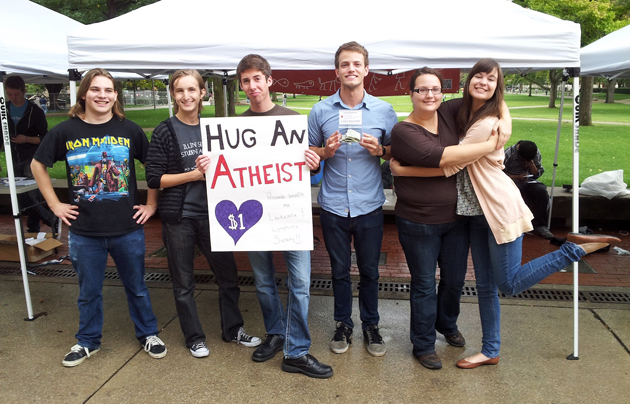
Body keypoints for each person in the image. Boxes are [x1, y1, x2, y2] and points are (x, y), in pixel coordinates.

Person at [391, 59, 620, 370]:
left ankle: (574, 249)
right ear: (467, 81)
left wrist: (402, 170)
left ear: (498, 86)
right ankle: (490, 350)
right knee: (484, 286)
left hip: (496, 207)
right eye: (479, 76)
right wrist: (389, 153)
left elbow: (450, 163)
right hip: (472, 212)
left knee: (508, 284)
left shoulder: (486, 124)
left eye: (492, 79)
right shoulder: (464, 113)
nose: (484, 82)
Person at [31, 68, 167, 367]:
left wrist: (151, 205)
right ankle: (87, 340)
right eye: (96, 89)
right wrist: (54, 205)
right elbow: (38, 164)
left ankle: (148, 333)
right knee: (88, 292)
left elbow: (154, 170)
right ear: (84, 94)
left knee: (137, 287)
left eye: (108, 90)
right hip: (84, 231)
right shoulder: (65, 131)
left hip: (127, 228)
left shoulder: (129, 129)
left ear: (115, 95)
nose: (102, 95)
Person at [389, 67, 511, 370]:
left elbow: (488, 97)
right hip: (418, 222)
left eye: (435, 89)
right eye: (422, 90)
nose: (429, 95)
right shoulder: (404, 131)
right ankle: (423, 343)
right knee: (424, 285)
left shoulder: (447, 111)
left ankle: (447, 323)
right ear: (411, 93)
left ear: (443, 93)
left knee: (455, 280)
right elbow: (444, 159)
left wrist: (505, 121)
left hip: (456, 218)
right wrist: (490, 146)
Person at [145, 69, 260, 359]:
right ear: (173, 94)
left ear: (202, 93)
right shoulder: (164, 131)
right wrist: (192, 175)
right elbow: (154, 179)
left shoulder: (215, 130)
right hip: (179, 217)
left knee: (228, 276)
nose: (186, 96)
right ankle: (194, 337)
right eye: (180, 90)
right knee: (184, 282)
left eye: (192, 90)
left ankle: (233, 329)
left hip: (215, 216)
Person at [236, 54, 333, 379]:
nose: (252, 86)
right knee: (263, 282)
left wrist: (313, 164)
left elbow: (311, 177)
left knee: (301, 283)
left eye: (257, 79)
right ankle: (276, 334)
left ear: (269, 80)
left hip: (290, 214)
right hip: (252, 217)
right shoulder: (234, 129)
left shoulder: (292, 120)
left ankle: (296, 350)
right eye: (246, 81)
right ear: (241, 85)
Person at [308, 41, 398, 357]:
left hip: (369, 205)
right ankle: (343, 323)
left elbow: (397, 153)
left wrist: (382, 151)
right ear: (337, 71)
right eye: (345, 64)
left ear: (366, 70)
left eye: (356, 64)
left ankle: (371, 325)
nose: (351, 69)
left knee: (371, 271)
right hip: (332, 205)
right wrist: (324, 152)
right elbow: (308, 155)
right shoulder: (319, 111)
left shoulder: (384, 111)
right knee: (339, 271)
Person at [5, 75, 56, 233]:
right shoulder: (4, 108)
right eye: (10, 94)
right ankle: (48, 217)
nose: (13, 98)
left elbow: (44, 138)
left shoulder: (35, 111)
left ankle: (34, 228)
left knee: (32, 194)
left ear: (24, 91)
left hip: (32, 158)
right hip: (12, 157)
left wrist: (26, 139)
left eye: (17, 94)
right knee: (19, 196)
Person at [504, 140, 553, 239]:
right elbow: (499, 174)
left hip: (529, 181)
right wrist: (517, 177)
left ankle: (540, 225)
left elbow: (537, 174)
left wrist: (531, 164)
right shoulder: (508, 154)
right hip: (511, 181)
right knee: (512, 193)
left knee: (541, 191)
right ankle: (514, 224)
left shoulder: (535, 153)